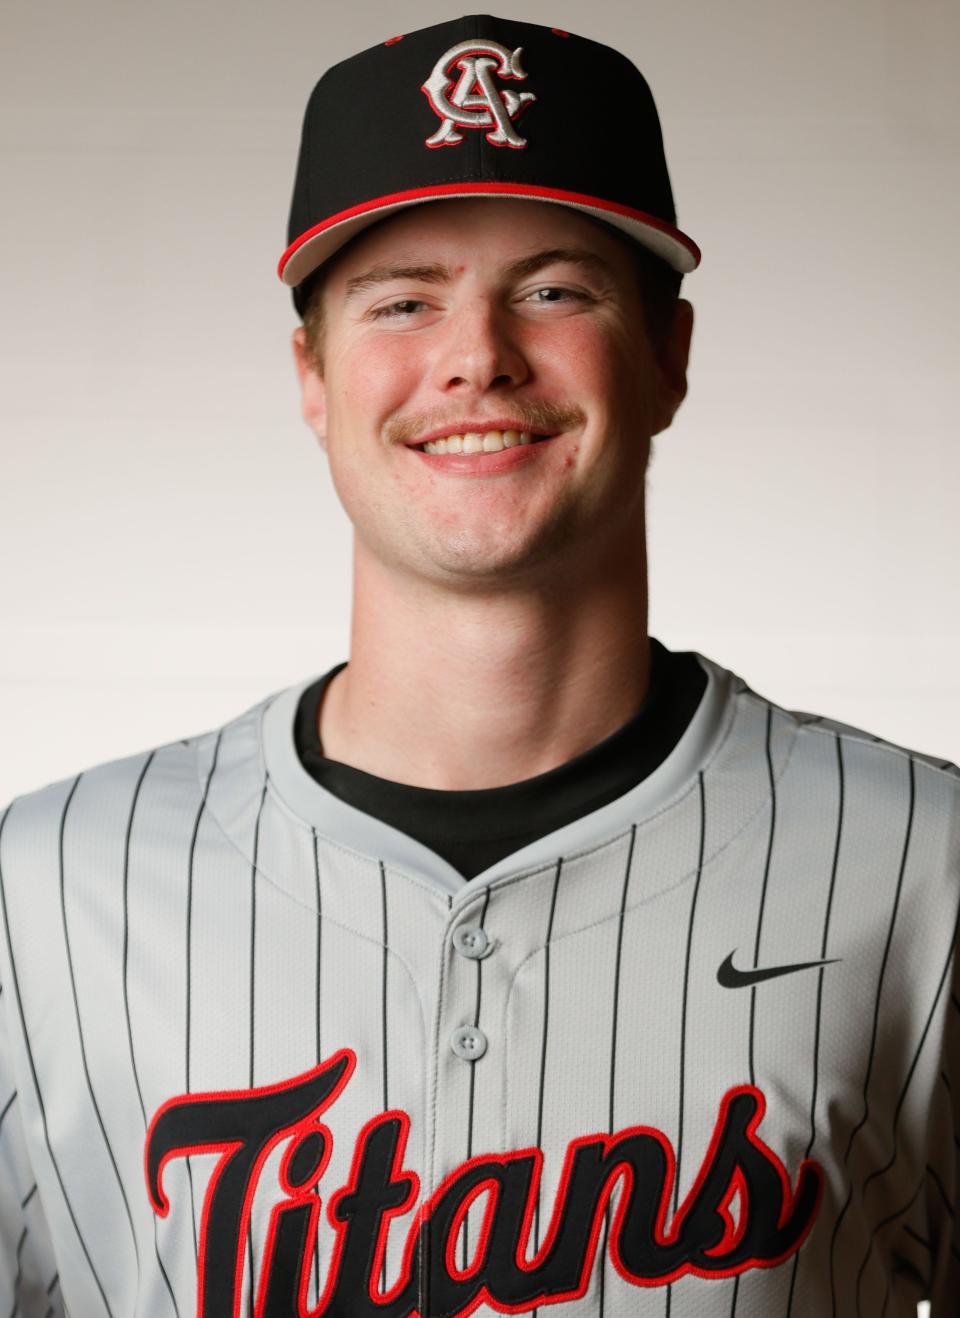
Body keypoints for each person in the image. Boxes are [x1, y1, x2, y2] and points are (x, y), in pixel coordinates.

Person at [0, 14, 956, 1317]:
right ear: (313, 375)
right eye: (403, 300)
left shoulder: (920, 865)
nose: (477, 355)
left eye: (557, 287)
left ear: (669, 355)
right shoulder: (49, 895)